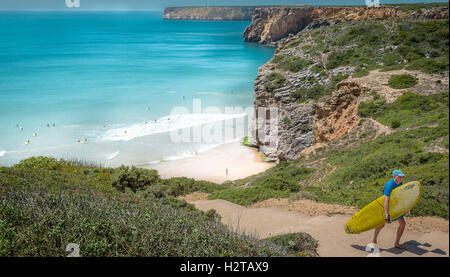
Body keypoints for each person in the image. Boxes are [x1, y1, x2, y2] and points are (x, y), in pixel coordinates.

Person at [372, 170, 407, 250]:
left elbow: (400, 196)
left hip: (395, 207)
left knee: (402, 224)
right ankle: (374, 240)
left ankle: (397, 243)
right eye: (400, 176)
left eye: (402, 177)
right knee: (381, 225)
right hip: (387, 207)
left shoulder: (400, 183)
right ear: (394, 176)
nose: (401, 178)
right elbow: (386, 199)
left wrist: (406, 208)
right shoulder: (389, 184)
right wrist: (386, 213)